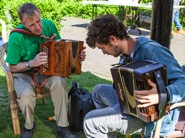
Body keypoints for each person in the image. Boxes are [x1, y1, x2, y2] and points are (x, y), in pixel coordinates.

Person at [83, 14, 185, 137]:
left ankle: (103, 126)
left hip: (152, 117)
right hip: (132, 106)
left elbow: (182, 81)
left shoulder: (151, 51)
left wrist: (162, 94)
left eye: (102, 48)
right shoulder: (127, 54)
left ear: (113, 39)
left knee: (90, 121)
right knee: (99, 91)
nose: (104, 53)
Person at [5, 2, 85, 138]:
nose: (37, 27)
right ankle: (29, 126)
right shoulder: (16, 36)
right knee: (25, 95)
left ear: (40, 15)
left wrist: (76, 57)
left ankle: (63, 127)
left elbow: (62, 49)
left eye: (38, 21)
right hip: (23, 73)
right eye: (31, 25)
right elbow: (12, 66)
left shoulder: (49, 25)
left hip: (47, 72)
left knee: (60, 83)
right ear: (23, 24)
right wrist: (31, 63)